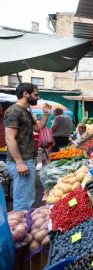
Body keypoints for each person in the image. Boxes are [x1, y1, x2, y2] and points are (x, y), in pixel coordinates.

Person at [4, 83, 49, 211]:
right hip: (21, 160)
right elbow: (9, 138)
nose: (38, 98)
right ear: (25, 94)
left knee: (28, 197)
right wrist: (19, 162)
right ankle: (20, 228)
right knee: (23, 200)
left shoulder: (26, 111)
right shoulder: (13, 111)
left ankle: (25, 224)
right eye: (35, 94)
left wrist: (45, 114)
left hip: (28, 159)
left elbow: (38, 128)